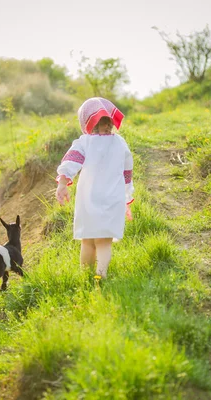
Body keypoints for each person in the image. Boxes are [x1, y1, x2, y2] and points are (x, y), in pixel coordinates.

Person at [55, 97, 134, 279]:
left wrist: (62, 184)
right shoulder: (120, 143)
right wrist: (126, 198)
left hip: (89, 199)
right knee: (104, 242)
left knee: (88, 241)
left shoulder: (84, 142)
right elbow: (127, 173)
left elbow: (70, 162)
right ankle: (101, 274)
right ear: (111, 121)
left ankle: (86, 275)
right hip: (113, 199)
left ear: (87, 122)